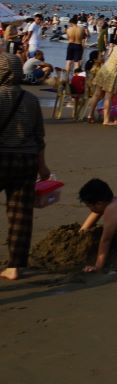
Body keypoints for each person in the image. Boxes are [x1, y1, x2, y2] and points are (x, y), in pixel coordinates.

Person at [1, 54, 50, 280]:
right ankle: (15, 266)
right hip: (26, 160)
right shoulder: (30, 99)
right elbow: (39, 137)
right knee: (20, 214)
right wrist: (43, 167)